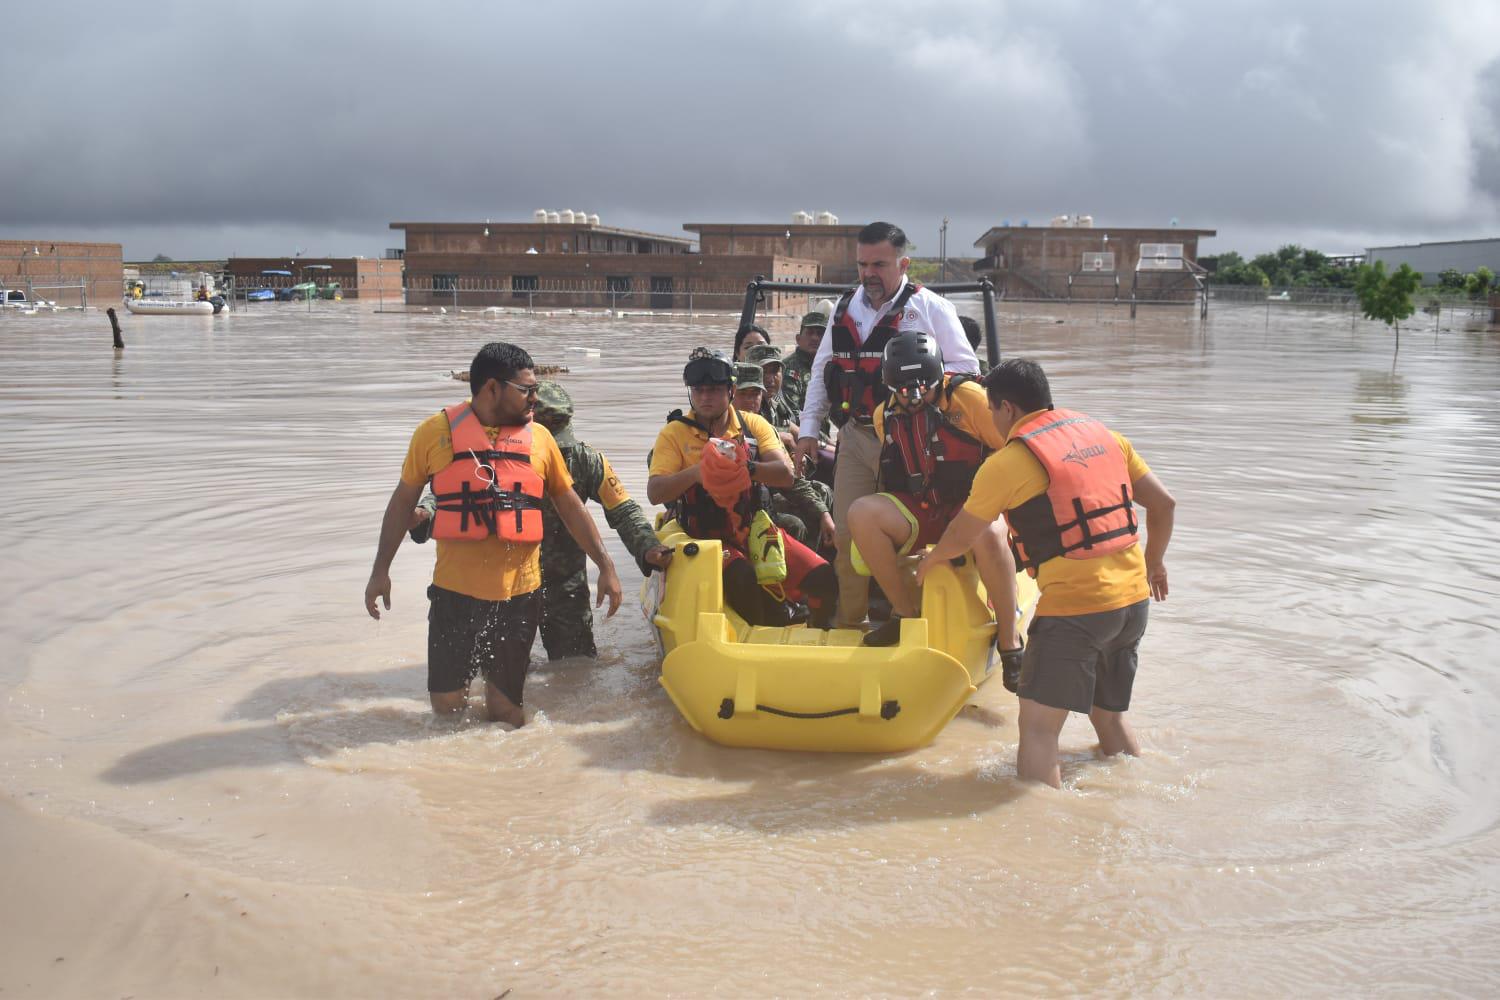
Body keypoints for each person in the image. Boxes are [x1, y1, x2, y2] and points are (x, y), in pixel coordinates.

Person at [914, 358, 1176, 787]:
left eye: (991, 410)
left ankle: (1041, 833)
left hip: (1077, 610)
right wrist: (1156, 563)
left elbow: (962, 534)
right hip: (1133, 603)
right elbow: (1164, 505)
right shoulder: (1106, 437)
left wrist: (931, 560)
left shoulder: (1007, 463)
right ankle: (1135, 794)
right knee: (1109, 719)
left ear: (1007, 409)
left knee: (1037, 730)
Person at [363, 342, 623, 726]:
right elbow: (401, 503)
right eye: (526, 389)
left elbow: (570, 506)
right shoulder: (433, 434)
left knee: (505, 712)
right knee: (447, 708)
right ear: (491, 388)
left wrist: (606, 564)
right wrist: (379, 571)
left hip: (518, 597)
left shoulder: (540, 440)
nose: (535, 398)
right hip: (454, 596)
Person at [794, 222, 980, 629]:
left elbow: (967, 370)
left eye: (879, 264)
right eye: (862, 264)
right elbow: (823, 369)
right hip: (855, 436)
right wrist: (809, 430)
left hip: (912, 441)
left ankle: (908, 618)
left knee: (906, 532)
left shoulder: (931, 309)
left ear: (903, 263)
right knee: (845, 534)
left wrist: (921, 392)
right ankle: (851, 618)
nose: (868, 273)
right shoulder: (844, 309)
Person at [409, 379, 671, 661]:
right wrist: (423, 515)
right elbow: (449, 494)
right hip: (506, 583)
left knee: (575, 671)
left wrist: (647, 548)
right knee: (502, 676)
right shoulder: (493, 455)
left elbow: (623, 510)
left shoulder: (585, 459)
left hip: (565, 584)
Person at [848, 333, 1019, 652]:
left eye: (923, 388)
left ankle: (1010, 639)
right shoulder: (883, 416)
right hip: (929, 507)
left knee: (987, 534)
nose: (914, 397)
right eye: (904, 390)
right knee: (861, 513)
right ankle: (904, 612)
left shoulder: (970, 399)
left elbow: (1014, 451)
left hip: (976, 506)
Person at [648, 348, 836, 628]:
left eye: (713, 390)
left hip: (754, 528)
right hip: (707, 539)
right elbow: (655, 492)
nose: (705, 397)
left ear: (730, 390)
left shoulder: (753, 426)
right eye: (698, 390)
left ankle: (819, 637)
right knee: (743, 578)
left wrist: (745, 467)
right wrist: (697, 473)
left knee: (825, 578)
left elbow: (785, 475)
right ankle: (759, 638)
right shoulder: (674, 433)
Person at [732, 359, 835, 552]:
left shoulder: (761, 427)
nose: (750, 401)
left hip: (760, 500)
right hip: (731, 510)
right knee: (794, 524)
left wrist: (823, 514)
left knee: (820, 497)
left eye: (755, 394)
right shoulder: (717, 424)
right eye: (743, 394)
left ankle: (816, 562)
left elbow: (791, 479)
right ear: (730, 393)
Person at [779, 310, 826, 417]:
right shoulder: (788, 368)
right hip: (800, 431)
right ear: (798, 339)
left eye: (820, 333)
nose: (815, 338)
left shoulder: (828, 366)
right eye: (810, 333)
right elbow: (791, 414)